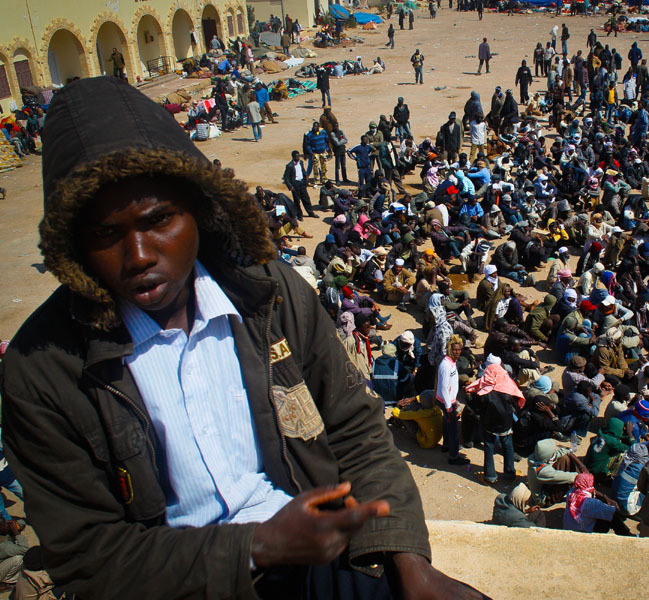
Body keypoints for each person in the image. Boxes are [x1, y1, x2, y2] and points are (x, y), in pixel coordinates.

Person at [2, 76, 480, 599]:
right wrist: (257, 547)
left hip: (316, 554)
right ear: (73, 242)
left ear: (201, 210)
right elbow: (89, 558)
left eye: (158, 219)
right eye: (106, 234)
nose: (138, 254)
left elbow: (354, 426)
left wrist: (409, 564)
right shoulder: (44, 365)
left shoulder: (268, 292)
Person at [437, 336, 469, 465]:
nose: (458, 352)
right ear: (450, 349)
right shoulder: (446, 365)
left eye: (459, 350)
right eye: (455, 350)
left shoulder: (451, 362)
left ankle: (446, 445)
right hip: (446, 401)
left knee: (446, 422)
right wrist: (449, 407)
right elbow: (444, 387)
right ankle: (454, 456)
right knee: (453, 428)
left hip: (448, 400)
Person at [283, 149, 318, 219]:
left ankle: (310, 212)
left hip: (302, 183)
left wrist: (305, 180)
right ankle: (299, 215)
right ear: (293, 157)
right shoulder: (289, 166)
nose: (298, 158)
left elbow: (303, 171)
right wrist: (290, 187)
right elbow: (286, 178)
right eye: (296, 156)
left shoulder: (301, 162)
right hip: (295, 184)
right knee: (297, 201)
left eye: (298, 156)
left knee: (306, 199)